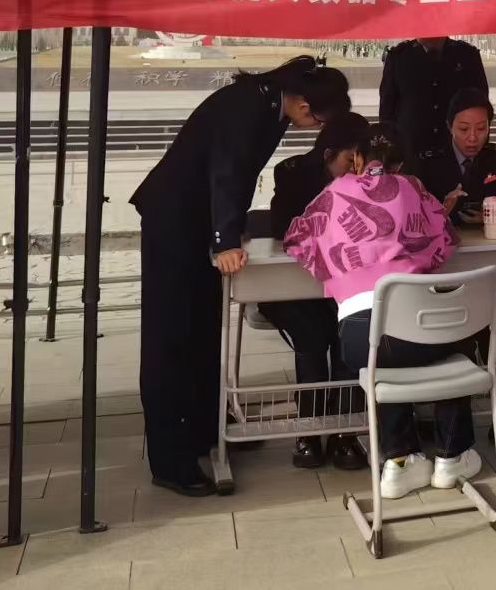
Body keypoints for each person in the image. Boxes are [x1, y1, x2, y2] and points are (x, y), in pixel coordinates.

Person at [130, 56, 350, 497]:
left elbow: (239, 175)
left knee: (204, 329)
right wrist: (225, 239)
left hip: (199, 219)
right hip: (175, 221)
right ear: (305, 105)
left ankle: (206, 429)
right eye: (319, 121)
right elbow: (226, 170)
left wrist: (232, 228)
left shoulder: (270, 104)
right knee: (171, 336)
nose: (315, 129)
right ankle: (171, 460)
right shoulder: (248, 105)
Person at [282, 123, 479, 502]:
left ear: (357, 159)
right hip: (414, 326)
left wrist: (340, 270)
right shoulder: (413, 187)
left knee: (386, 363)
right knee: (451, 340)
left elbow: (296, 239)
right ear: (400, 164)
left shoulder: (334, 191)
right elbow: (445, 240)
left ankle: (399, 462)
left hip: (358, 337)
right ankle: (452, 455)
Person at [259, 118, 372, 473]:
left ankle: (344, 432)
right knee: (312, 334)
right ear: (328, 154)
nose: (355, 169)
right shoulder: (292, 173)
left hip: (342, 288)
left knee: (350, 331)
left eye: (360, 161)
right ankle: (309, 430)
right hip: (295, 288)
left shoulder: (369, 179)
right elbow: (282, 227)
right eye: (349, 160)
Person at [411, 90, 496, 225]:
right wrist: (441, 211)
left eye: (481, 128)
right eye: (463, 129)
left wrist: (492, 217)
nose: (473, 138)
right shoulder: (429, 162)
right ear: (450, 127)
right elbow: (412, 218)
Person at [379, 36, 489, 164]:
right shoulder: (399, 57)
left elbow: (482, 106)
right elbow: (387, 113)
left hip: (456, 156)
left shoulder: (467, 55)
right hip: (411, 157)